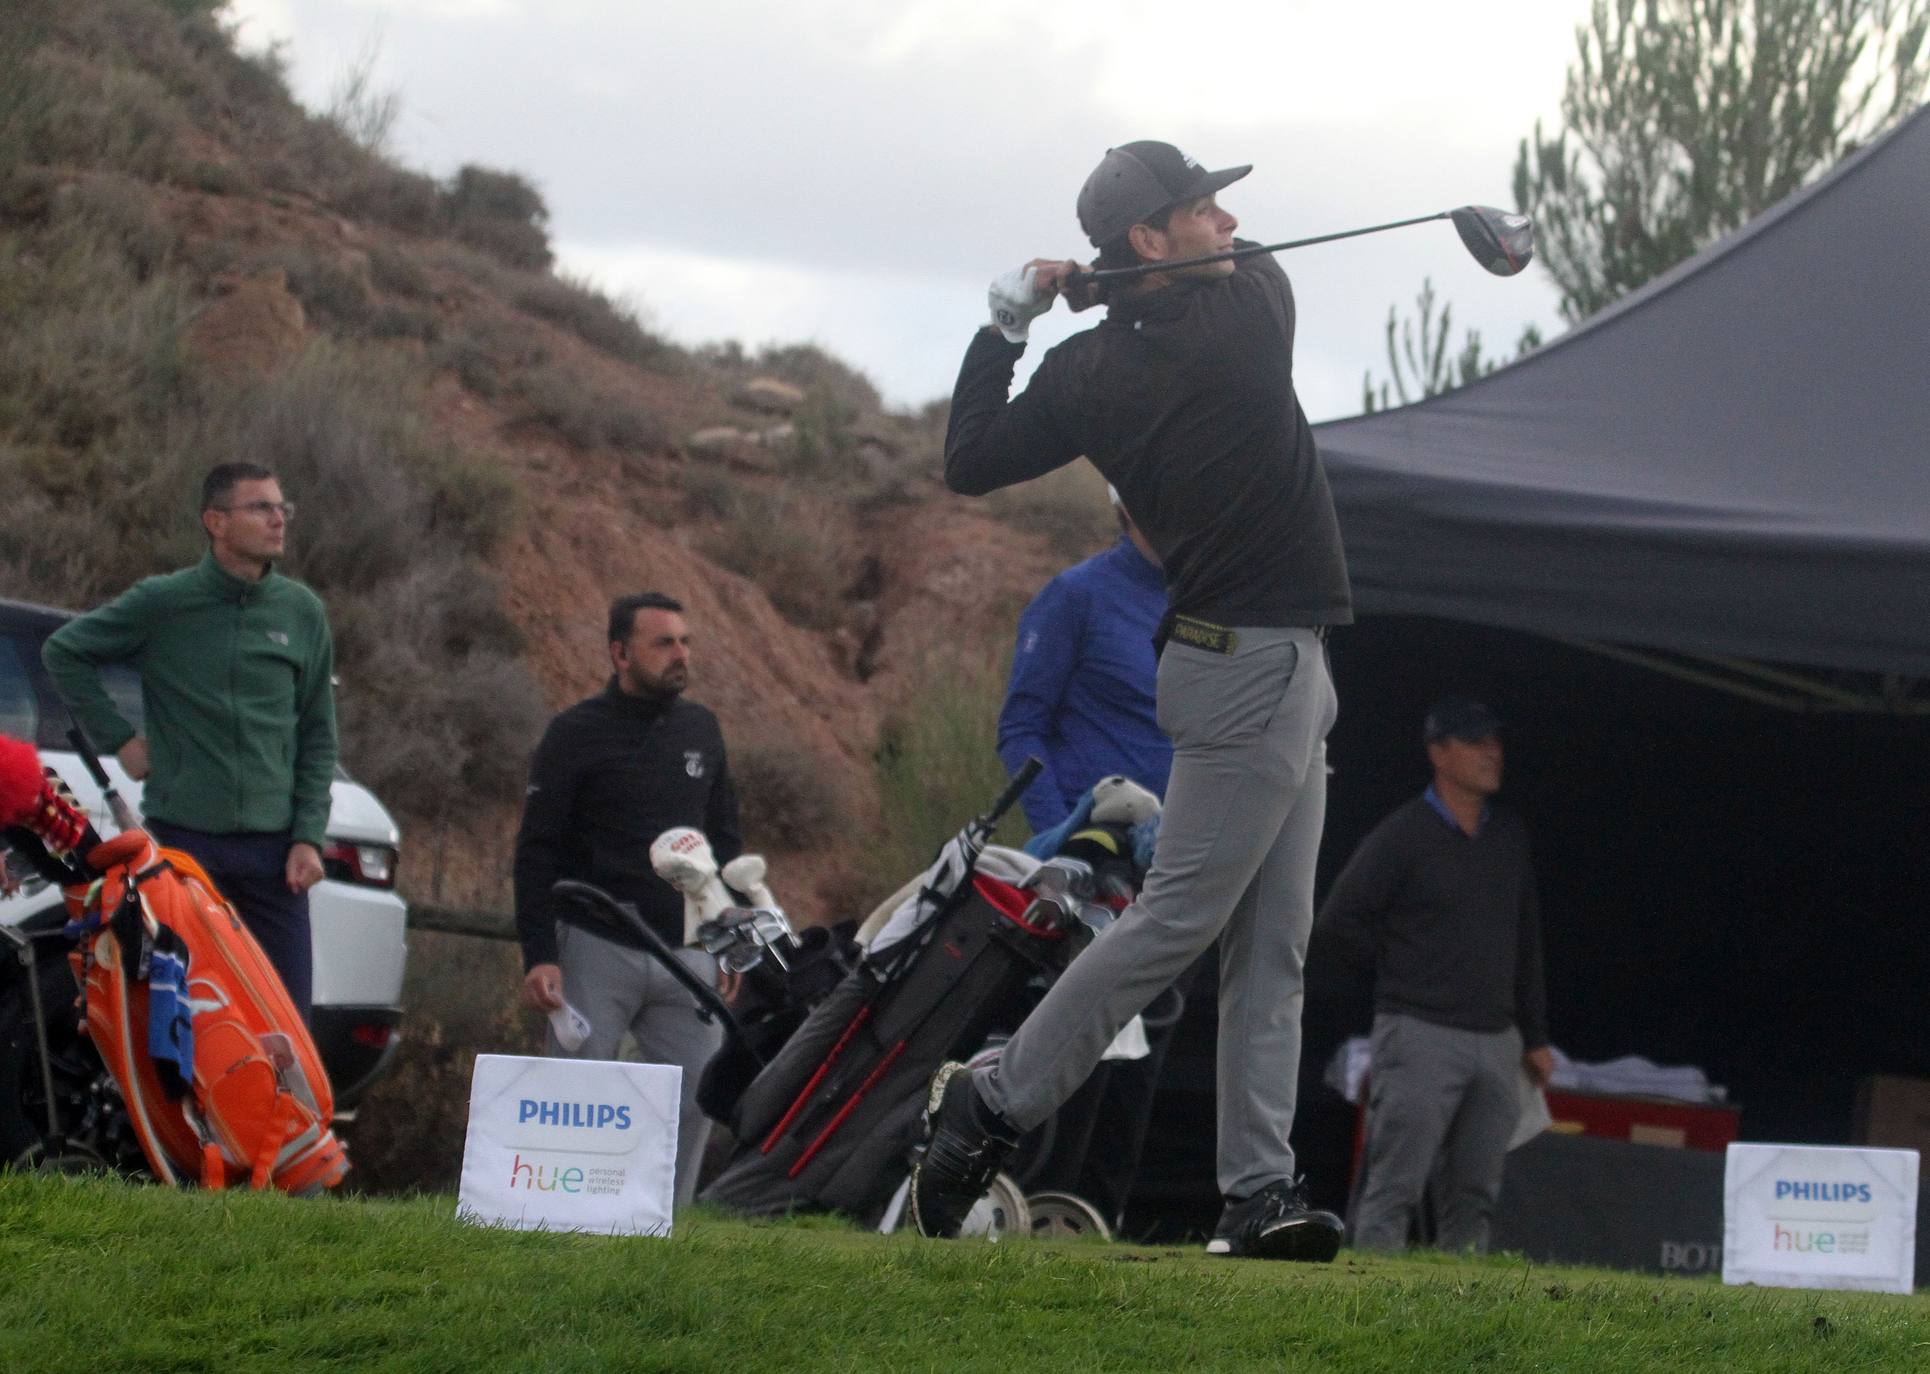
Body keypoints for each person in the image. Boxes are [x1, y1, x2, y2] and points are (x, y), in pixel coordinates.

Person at [914, 140, 1353, 1260]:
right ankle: (995, 1100)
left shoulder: (1086, 373)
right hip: (1248, 665)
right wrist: (1116, 284)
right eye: (1199, 210)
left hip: (1267, 661)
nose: (1225, 223)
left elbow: (968, 456)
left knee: (1271, 946)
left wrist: (1009, 325)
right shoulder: (1244, 323)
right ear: (1150, 240)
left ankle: (1256, 1191)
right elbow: (1257, 266)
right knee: (1180, 923)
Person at [42, 462, 336, 1021]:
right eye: (262, 508)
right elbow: (65, 652)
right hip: (184, 848)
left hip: (276, 858)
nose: (279, 519)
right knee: (186, 1024)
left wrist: (308, 837)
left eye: (283, 508)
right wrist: (121, 740)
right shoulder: (165, 602)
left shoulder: (303, 612)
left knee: (286, 1026)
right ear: (216, 522)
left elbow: (319, 733)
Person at [512, 591, 742, 1208]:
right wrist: (539, 953)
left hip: (688, 954)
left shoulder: (702, 730)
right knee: (572, 1102)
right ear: (620, 653)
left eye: (685, 642)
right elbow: (537, 850)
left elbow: (724, 844)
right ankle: (554, 1223)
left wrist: (731, 943)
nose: (680, 655)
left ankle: (662, 1229)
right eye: (663, 642)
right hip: (595, 947)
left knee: (695, 1099)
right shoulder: (574, 733)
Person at [1313, 698, 1552, 1254]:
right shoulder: (1402, 835)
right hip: (1420, 1032)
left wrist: (1534, 1035)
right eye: (1475, 741)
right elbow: (1337, 924)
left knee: (1475, 1193)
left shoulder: (1508, 836)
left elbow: (1527, 939)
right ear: (1438, 753)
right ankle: (1365, 1305)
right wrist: (1403, 969)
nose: (1492, 751)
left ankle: (1457, 1313)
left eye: (1494, 740)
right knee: (1395, 1186)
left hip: (1498, 1040)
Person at [998, 489, 1170, 834]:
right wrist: (1059, 838)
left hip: (1193, 848)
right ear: (1130, 510)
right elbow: (1021, 728)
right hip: (1103, 847)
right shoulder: (1075, 596)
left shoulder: (1211, 600)